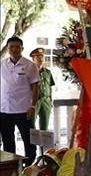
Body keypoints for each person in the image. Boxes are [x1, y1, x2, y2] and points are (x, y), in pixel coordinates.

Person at [0, 36, 39, 164]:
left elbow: (35, 87)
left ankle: (29, 166)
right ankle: (11, 167)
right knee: (8, 141)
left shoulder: (30, 65)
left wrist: (32, 106)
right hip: (4, 110)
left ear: (22, 48)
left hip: (24, 109)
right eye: (11, 46)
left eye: (17, 47)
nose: (14, 49)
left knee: (28, 141)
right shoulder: (2, 64)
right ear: (7, 48)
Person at [29, 47, 55, 131]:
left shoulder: (48, 72)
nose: (41, 59)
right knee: (32, 125)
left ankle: (43, 144)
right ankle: (33, 144)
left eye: (42, 57)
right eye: (38, 57)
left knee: (45, 126)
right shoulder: (30, 72)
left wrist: (51, 101)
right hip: (34, 102)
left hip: (46, 101)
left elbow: (50, 87)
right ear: (33, 59)